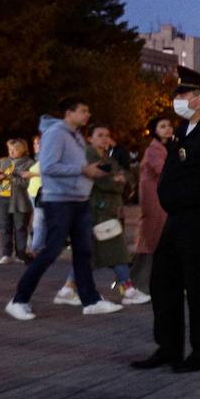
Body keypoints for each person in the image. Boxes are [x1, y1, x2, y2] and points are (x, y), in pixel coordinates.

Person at [130, 68, 200, 372]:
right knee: (163, 280)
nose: (176, 99)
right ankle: (168, 346)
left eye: (182, 94)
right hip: (177, 218)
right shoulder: (184, 128)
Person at [5, 99, 124, 320]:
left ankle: (91, 301)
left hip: (78, 199)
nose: (87, 114)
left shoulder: (76, 135)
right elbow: (49, 166)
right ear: (69, 113)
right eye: (83, 110)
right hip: (59, 200)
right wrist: (83, 169)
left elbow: (77, 168)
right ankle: (19, 299)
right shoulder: (55, 133)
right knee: (51, 250)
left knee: (83, 251)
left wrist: (91, 172)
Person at [59, 123, 147, 305]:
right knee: (117, 250)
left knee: (89, 253)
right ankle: (128, 290)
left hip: (104, 210)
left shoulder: (106, 157)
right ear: (89, 138)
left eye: (107, 134)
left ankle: (68, 288)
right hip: (97, 210)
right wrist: (116, 181)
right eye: (100, 135)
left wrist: (118, 179)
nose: (104, 138)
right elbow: (104, 181)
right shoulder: (88, 155)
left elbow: (126, 176)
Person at [130, 117, 173, 291]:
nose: (168, 128)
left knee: (156, 241)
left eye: (169, 125)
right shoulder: (154, 149)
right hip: (153, 201)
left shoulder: (164, 148)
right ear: (154, 130)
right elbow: (163, 171)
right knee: (151, 240)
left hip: (159, 200)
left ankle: (142, 283)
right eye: (162, 126)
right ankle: (138, 284)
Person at [0, 139, 34, 265]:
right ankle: (6, 254)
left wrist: (11, 177)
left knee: (20, 227)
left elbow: (26, 183)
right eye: (10, 149)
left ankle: (20, 254)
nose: (11, 152)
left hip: (19, 200)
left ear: (23, 150)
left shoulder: (30, 163)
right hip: (1, 198)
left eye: (15, 149)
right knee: (4, 228)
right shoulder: (3, 161)